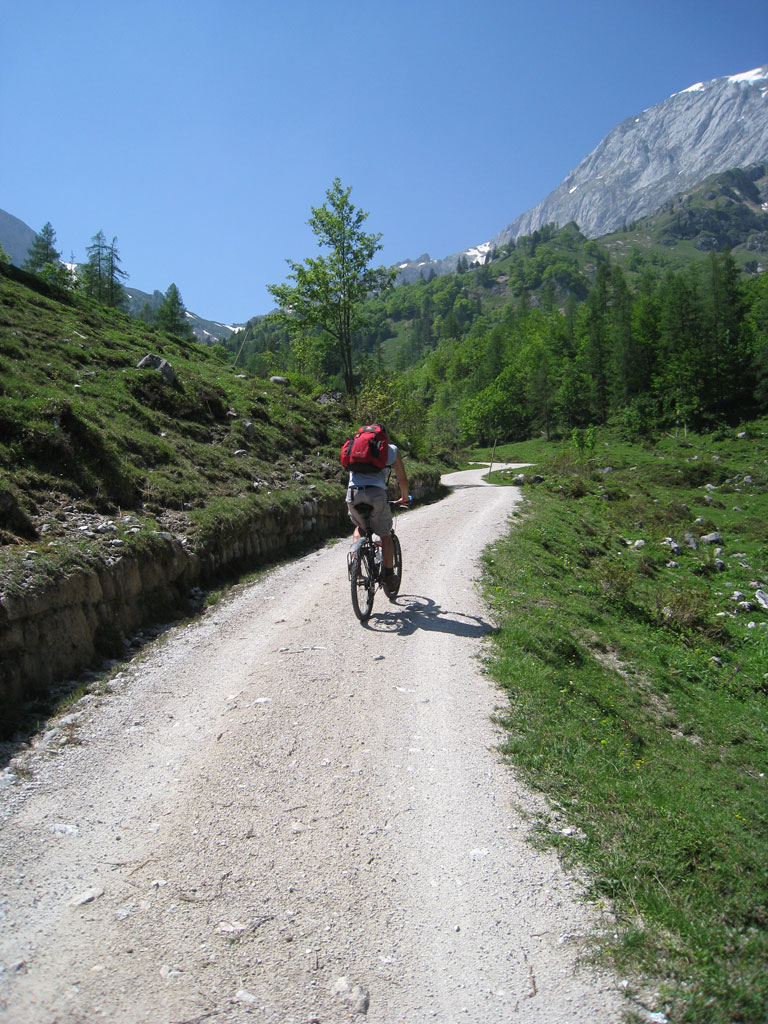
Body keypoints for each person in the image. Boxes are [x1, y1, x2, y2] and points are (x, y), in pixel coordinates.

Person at [346, 430, 409, 598]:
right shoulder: (391, 450)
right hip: (376, 494)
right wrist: (403, 497)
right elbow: (402, 478)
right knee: (385, 535)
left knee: (359, 526)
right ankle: (389, 576)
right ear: (384, 437)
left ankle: (355, 561)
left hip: (352, 494)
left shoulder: (355, 449)